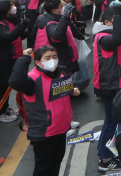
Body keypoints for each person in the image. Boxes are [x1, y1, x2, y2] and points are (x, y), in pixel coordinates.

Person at [9, 46, 81, 176]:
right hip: (44, 133)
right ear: (37, 62)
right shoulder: (32, 79)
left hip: (61, 129)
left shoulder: (60, 73)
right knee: (43, 169)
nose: (52, 60)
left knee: (56, 163)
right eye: (47, 58)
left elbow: (64, 90)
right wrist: (24, 58)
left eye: (55, 57)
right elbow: (15, 81)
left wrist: (73, 90)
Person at [92, 5, 121, 172]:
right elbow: (118, 38)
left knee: (113, 122)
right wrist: (118, 13)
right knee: (111, 122)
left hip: (118, 84)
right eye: (117, 22)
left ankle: (107, 152)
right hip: (112, 86)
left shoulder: (109, 34)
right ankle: (105, 159)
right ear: (107, 22)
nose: (120, 26)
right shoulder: (103, 37)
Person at [33, 0, 83, 75]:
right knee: (65, 82)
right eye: (61, 6)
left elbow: (72, 28)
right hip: (63, 60)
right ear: (54, 11)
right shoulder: (51, 23)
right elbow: (57, 36)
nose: (64, 7)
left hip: (67, 58)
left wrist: (80, 36)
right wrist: (65, 16)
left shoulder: (60, 19)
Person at [0, 0, 30, 122]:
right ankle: (2, 111)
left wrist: (26, 28)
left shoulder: (10, 20)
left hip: (14, 57)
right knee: (3, 86)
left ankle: (5, 107)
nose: (14, 7)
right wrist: (23, 26)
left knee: (8, 85)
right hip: (4, 59)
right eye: (11, 5)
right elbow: (8, 37)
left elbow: (18, 35)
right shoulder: (1, 24)